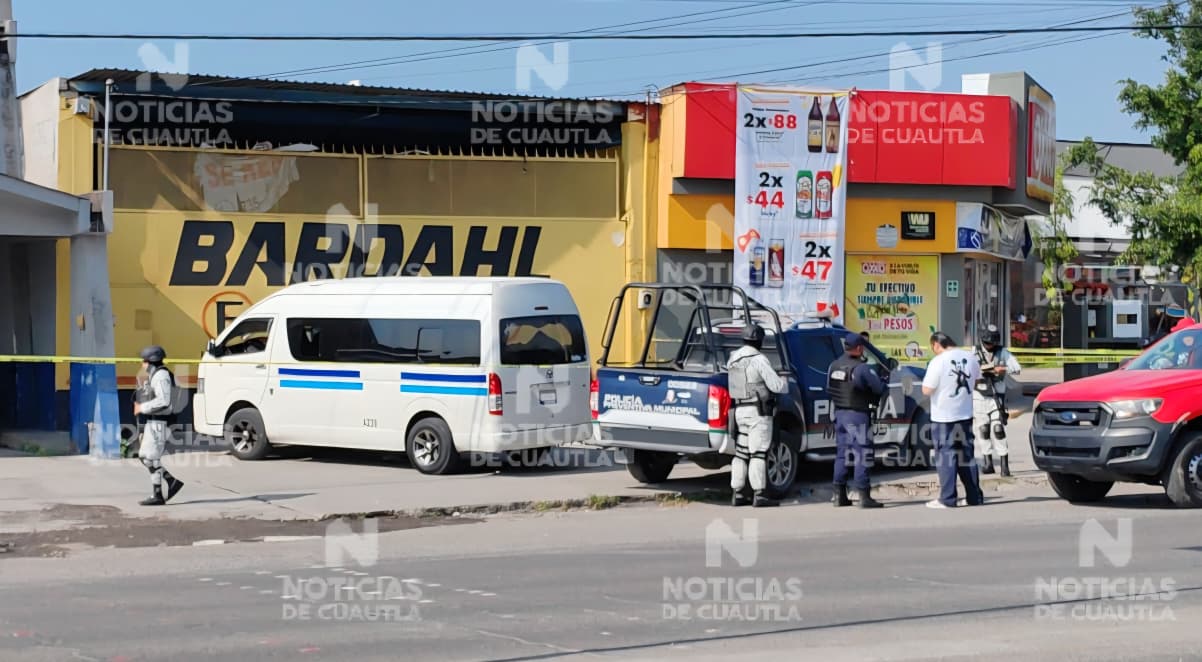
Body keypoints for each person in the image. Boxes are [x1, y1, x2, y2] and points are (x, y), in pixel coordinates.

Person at [726, 323, 788, 507]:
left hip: (739, 410)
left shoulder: (733, 359)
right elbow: (777, 386)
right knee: (758, 453)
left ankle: (737, 493)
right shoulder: (759, 359)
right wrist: (784, 380)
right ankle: (760, 494)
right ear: (760, 341)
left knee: (741, 453)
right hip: (758, 412)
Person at [921, 332, 983, 509]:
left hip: (943, 418)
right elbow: (976, 382)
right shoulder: (970, 358)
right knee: (967, 457)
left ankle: (948, 499)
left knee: (946, 457)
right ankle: (974, 497)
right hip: (965, 415)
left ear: (936, 344)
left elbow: (927, 390)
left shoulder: (938, 361)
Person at [827, 332, 887, 508]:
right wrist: (884, 379)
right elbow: (879, 388)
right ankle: (864, 496)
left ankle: (839, 496)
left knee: (842, 454)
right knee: (863, 454)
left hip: (839, 414)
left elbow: (829, 389)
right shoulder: (862, 368)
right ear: (860, 348)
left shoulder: (833, 365)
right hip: (858, 415)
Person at [134, 345, 185, 506]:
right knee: (146, 457)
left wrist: (142, 407)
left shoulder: (161, 376)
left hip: (161, 422)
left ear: (151, 361)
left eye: (144, 361)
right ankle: (169, 484)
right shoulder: (156, 375)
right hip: (154, 421)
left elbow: (164, 401)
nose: (142, 364)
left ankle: (159, 493)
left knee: (148, 457)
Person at [973, 324, 1021, 477]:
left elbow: (1017, 368)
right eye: (988, 343)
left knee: (998, 429)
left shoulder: (1002, 352)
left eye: (992, 343)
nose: (990, 346)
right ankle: (988, 463)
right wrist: (983, 369)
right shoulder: (974, 352)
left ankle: (1004, 466)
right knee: (983, 429)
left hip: (996, 396)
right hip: (979, 395)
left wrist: (1003, 368)